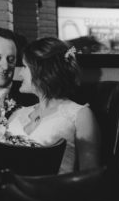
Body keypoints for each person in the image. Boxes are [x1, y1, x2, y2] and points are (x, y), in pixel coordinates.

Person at [8, 36, 101, 173]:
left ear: (42, 71)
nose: (20, 73)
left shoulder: (79, 115)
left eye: (24, 67)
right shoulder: (18, 113)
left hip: (52, 190)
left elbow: (90, 174)